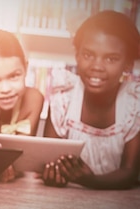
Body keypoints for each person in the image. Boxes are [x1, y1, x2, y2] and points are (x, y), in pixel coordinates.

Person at [41, 10, 140, 190]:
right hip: (66, 198)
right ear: (77, 55)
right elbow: (47, 159)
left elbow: (129, 172)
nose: (96, 66)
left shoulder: (133, 105)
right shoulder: (64, 97)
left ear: (128, 64)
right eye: (88, 55)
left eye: (111, 59)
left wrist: (90, 181)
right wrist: (53, 173)